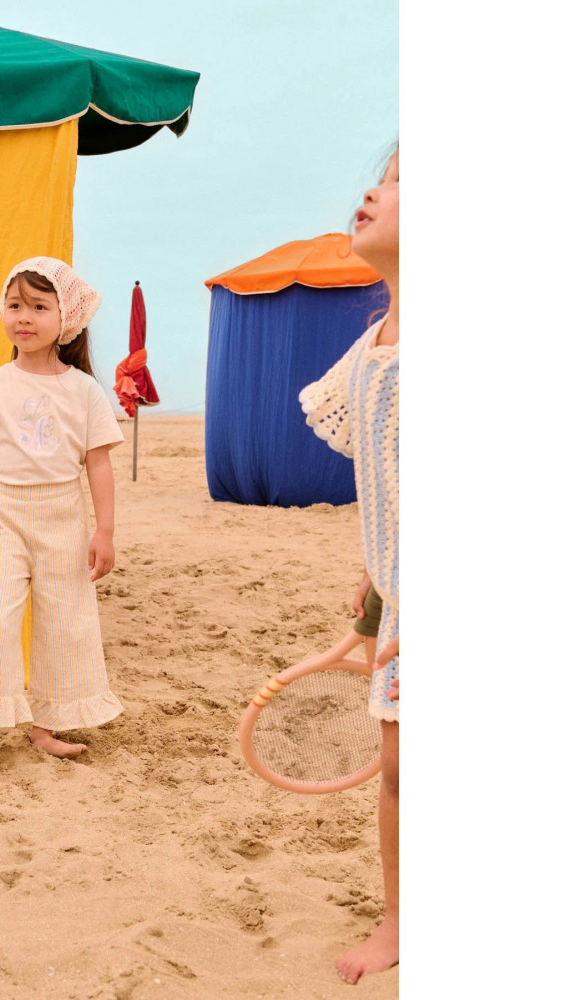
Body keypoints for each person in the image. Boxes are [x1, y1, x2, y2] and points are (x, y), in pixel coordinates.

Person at [0, 256, 125, 772]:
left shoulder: (84, 390)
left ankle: (46, 726)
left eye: (39, 307)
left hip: (65, 519)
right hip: (4, 518)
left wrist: (104, 532)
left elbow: (98, 464)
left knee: (65, 622)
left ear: (66, 319)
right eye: (14, 305)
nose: (23, 317)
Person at [299, 147, 399, 984]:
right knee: (400, 773)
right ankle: (402, 919)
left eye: (404, 181)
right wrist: (376, 570)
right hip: (403, 606)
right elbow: (388, 480)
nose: (373, 188)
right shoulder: (370, 350)